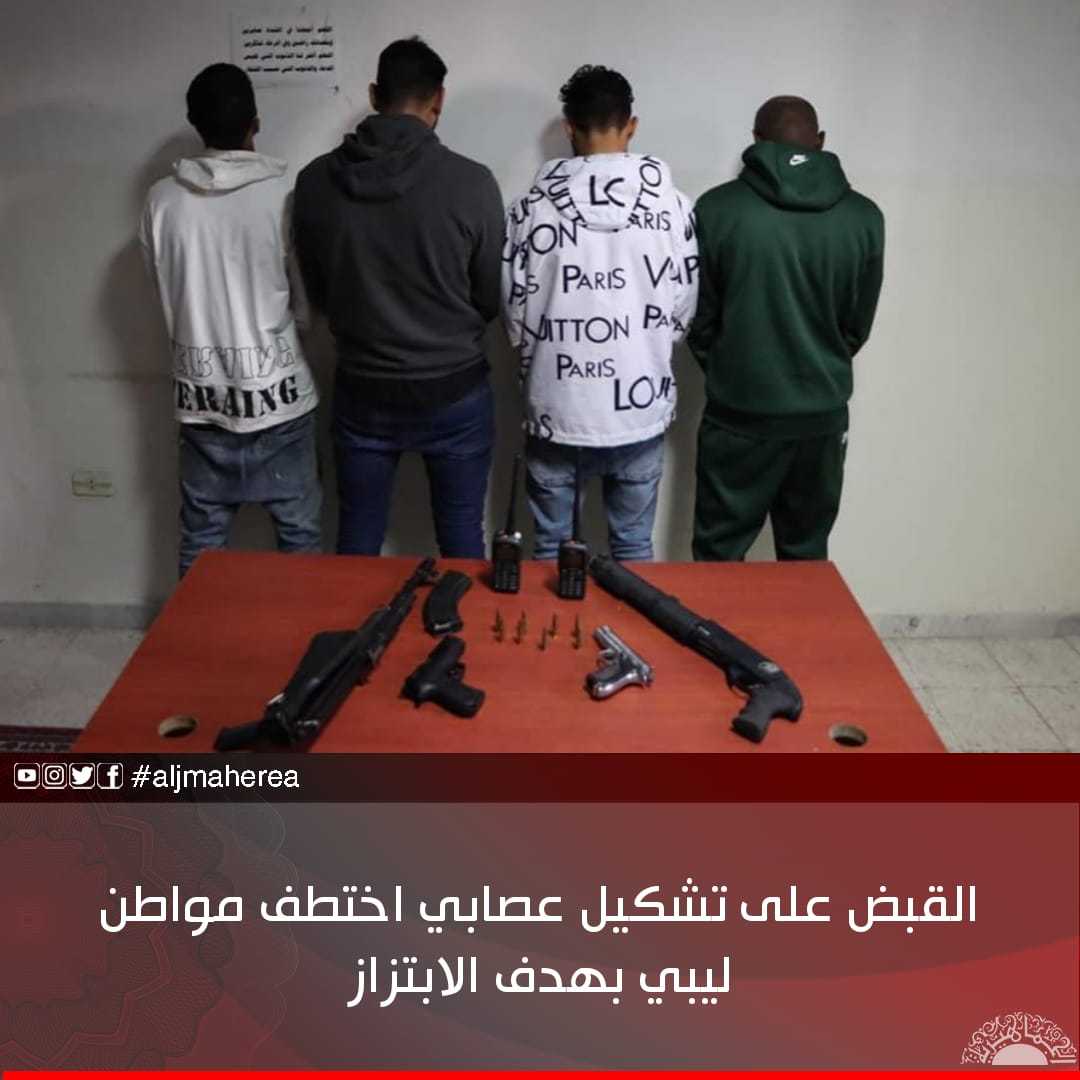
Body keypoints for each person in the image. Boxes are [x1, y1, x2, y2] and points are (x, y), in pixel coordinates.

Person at [292, 37, 504, 557]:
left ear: (373, 94)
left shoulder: (314, 182)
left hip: (363, 385)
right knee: (461, 537)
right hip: (454, 386)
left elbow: (318, 291)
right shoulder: (473, 182)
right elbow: (489, 296)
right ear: (439, 100)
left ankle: (351, 617)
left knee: (358, 538)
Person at [503, 65, 698, 560]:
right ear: (631, 125)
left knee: (550, 550)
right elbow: (681, 310)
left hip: (556, 404)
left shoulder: (528, 211)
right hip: (638, 409)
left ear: (570, 127)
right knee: (633, 546)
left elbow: (514, 314)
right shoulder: (674, 209)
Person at [140, 63, 321, 577]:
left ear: (196, 126)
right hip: (282, 401)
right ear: (255, 123)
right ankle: (302, 634)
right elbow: (305, 304)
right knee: (301, 540)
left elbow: (163, 290)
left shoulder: (160, 200)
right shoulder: (283, 194)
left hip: (200, 403)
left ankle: (194, 634)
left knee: (201, 548)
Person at [689, 95, 884, 561]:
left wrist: (732, 370)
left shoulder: (716, 209)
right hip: (821, 416)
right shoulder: (864, 217)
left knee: (718, 556)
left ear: (756, 142)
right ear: (821, 142)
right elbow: (857, 325)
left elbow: (697, 318)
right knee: (806, 556)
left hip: (738, 414)